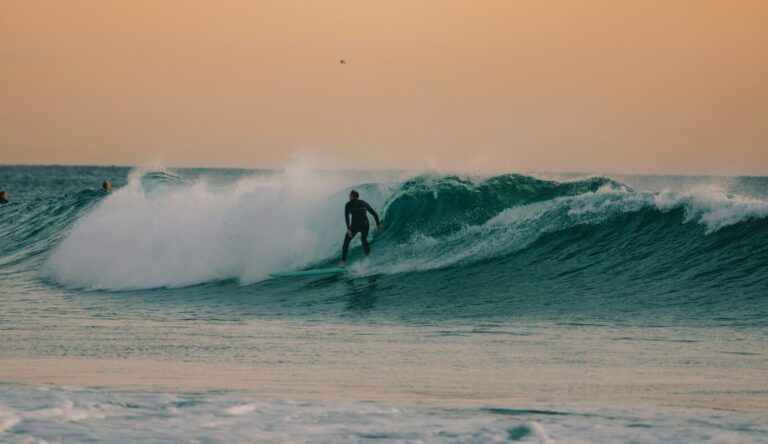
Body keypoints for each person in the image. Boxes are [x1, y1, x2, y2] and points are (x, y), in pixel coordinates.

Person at [340, 190, 384, 267]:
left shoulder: (354, 204)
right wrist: (378, 224)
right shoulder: (355, 204)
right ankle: (344, 262)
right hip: (359, 226)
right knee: (352, 241)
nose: (349, 197)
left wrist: (378, 224)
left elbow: (374, 213)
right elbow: (374, 214)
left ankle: (368, 258)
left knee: (358, 241)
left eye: (350, 195)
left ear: (353, 196)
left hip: (361, 226)